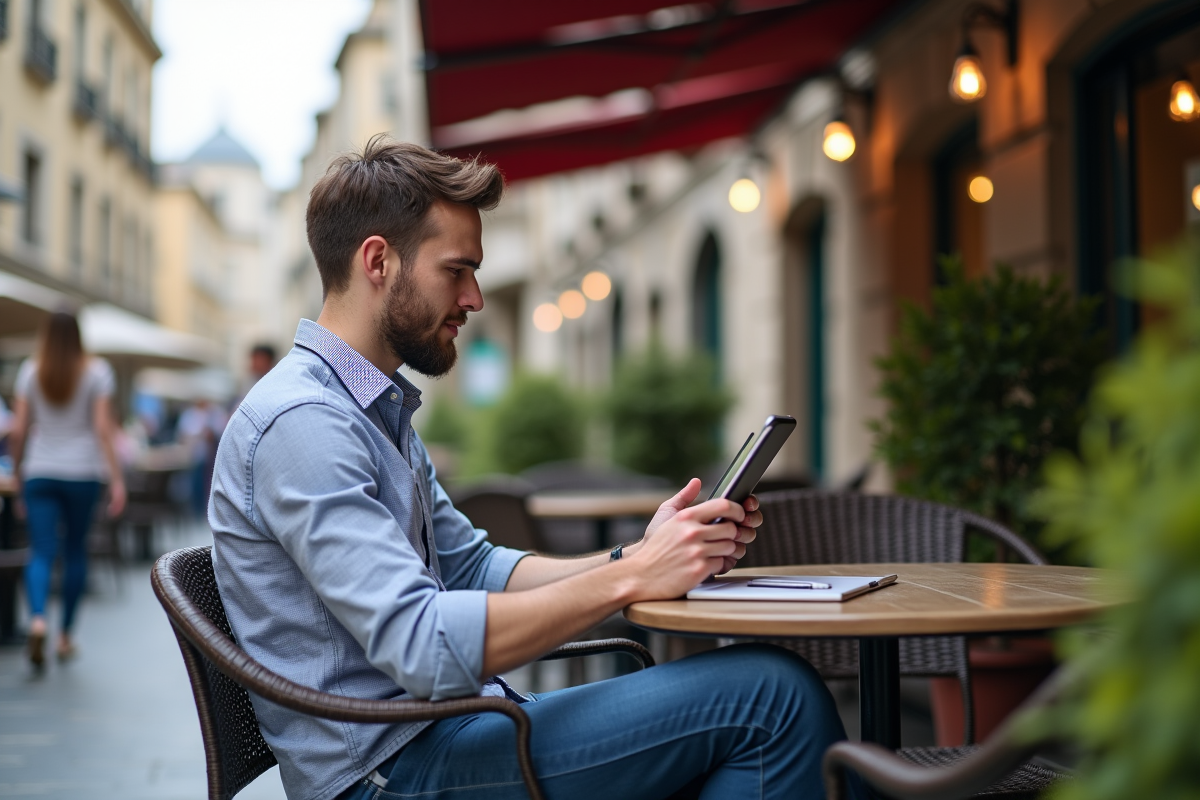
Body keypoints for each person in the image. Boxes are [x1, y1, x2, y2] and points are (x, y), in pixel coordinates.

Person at [210, 137, 859, 800]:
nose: (475, 297)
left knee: (766, 707)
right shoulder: (304, 422)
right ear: (378, 261)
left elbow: (476, 568)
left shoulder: (370, 407)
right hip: (390, 772)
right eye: (456, 270)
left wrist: (643, 553)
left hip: (447, 731)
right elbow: (421, 645)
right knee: (773, 697)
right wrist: (633, 577)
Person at [9, 312, 126, 669]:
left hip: (40, 471)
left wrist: (17, 475)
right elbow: (103, 429)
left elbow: (18, 430)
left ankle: (38, 618)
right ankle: (65, 637)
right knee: (75, 551)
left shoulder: (30, 370)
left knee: (41, 551)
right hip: (82, 473)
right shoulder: (97, 372)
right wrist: (117, 478)